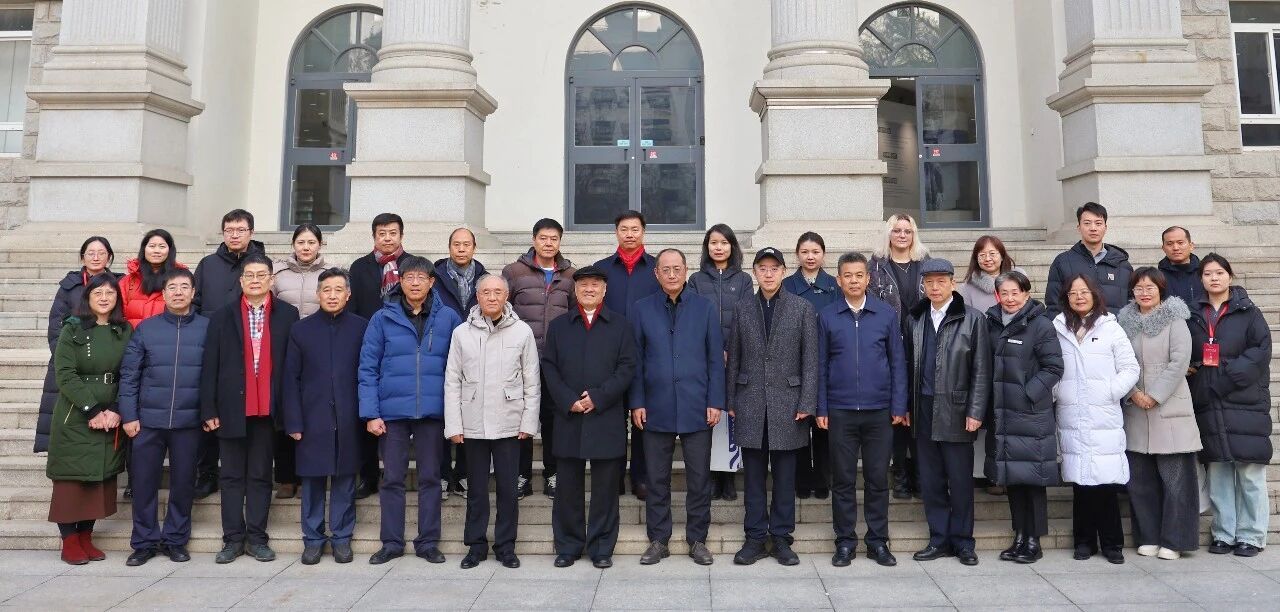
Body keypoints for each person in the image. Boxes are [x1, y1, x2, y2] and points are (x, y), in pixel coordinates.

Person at [359, 255, 462, 565]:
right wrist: (371, 413)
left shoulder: (449, 318)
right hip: (392, 413)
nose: (415, 283)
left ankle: (428, 542)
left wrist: (456, 414)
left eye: (421, 278)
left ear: (432, 282)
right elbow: (368, 368)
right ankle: (391, 542)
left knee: (431, 478)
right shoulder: (382, 318)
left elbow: (460, 367)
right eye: (409, 277)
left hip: (433, 411)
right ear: (399, 281)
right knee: (392, 479)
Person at [200, 254, 300, 564]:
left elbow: (291, 366)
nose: (255, 280)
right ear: (241, 281)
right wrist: (208, 409)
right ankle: (232, 539)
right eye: (249, 275)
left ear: (272, 279)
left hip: (268, 410)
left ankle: (257, 538)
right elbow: (210, 366)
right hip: (231, 408)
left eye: (261, 275)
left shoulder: (288, 314)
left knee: (260, 475)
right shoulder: (222, 316)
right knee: (231, 476)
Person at [629, 248, 723, 566]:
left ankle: (697, 539)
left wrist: (715, 401)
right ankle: (659, 540)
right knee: (657, 479)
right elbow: (636, 360)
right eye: (665, 269)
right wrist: (637, 401)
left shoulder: (704, 308)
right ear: (656, 274)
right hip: (655, 406)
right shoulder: (642, 309)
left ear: (686, 271)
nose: (671, 274)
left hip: (697, 405)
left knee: (699, 478)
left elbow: (715, 359)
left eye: (677, 269)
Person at [726, 247, 818, 566]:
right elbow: (734, 358)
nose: (768, 273)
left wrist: (807, 401)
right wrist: (730, 399)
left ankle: (781, 538)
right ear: (754, 272)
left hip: (789, 405)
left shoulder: (802, 308)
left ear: (783, 272)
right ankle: (754, 537)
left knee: (784, 477)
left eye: (774, 268)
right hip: (750, 402)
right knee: (753, 477)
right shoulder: (742, 308)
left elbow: (810, 360)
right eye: (762, 268)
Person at [543, 265, 638, 569]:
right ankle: (568, 546)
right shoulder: (559, 326)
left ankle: (601, 547)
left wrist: (599, 397)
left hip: (605, 417)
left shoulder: (621, 325)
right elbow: (549, 367)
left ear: (604, 290)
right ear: (575, 289)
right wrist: (568, 399)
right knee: (567, 488)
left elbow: (627, 367)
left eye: (595, 284)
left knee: (605, 489)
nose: (589, 289)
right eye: (583, 284)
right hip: (568, 417)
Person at [444, 275, 540, 570]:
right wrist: (454, 425)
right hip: (472, 422)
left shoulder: (522, 332)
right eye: (486, 292)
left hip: (509, 422)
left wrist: (529, 421)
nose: (492, 297)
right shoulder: (462, 333)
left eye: (498, 292)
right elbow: (452, 381)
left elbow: (532, 380)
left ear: (506, 296)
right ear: (477, 296)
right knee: (476, 489)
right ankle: (475, 546)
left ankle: (506, 546)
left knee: (508, 490)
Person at [818, 252, 907, 568]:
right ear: (838, 280)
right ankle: (844, 542)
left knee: (877, 479)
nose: (854, 280)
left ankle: (878, 541)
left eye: (859, 275)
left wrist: (899, 404)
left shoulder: (885, 314)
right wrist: (821, 406)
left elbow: (897, 362)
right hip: (840, 410)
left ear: (868, 279)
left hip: (878, 411)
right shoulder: (827, 316)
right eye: (848, 275)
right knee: (842, 480)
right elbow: (820, 364)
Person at [118, 268, 207, 566]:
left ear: (193, 293)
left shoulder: (207, 328)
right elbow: (129, 375)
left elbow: (215, 376)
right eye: (172, 287)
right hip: (147, 421)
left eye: (184, 287)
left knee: (183, 483)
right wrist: (129, 415)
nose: (178, 292)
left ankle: (175, 540)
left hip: (189, 422)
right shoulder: (146, 329)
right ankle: (144, 542)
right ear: (164, 294)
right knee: (144, 484)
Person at [904, 258, 991, 567]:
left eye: (941, 281)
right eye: (929, 282)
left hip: (957, 408)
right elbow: (907, 366)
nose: (935, 287)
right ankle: (938, 538)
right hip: (923, 407)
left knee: (960, 480)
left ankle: (964, 542)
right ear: (923, 286)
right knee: (931, 480)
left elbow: (982, 369)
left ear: (953, 284)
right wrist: (907, 406)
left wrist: (975, 410)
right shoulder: (915, 318)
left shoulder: (973, 319)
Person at [281, 267, 368, 566]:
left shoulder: (361, 327)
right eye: (326, 290)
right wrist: (293, 420)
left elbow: (368, 372)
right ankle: (313, 539)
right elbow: (290, 378)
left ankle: (342, 537)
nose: (332, 296)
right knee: (312, 481)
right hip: (312, 417)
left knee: (345, 479)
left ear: (348, 294)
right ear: (317, 294)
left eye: (338, 290)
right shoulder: (301, 330)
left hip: (349, 415)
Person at [1189, 253, 1273, 558]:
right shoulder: (1192, 315)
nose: (1214, 278)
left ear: (1230, 275)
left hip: (1244, 401)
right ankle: (1224, 533)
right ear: (1201, 279)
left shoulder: (1249, 312)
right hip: (1209, 402)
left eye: (1219, 272)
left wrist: (1224, 377)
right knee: (1219, 472)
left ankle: (1252, 535)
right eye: (1208, 273)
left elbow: (1261, 351)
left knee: (1249, 473)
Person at [1053, 274, 1140, 564]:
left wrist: (1110, 392)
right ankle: (1084, 542)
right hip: (1071, 413)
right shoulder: (1058, 328)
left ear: (1094, 294)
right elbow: (1050, 365)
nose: (1079, 297)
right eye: (1073, 293)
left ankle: (1113, 544)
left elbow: (1130, 368)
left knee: (1105, 483)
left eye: (1084, 292)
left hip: (1103, 414)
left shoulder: (1110, 327)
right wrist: (1058, 391)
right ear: (1066, 298)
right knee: (1081, 483)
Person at [46, 273, 131, 565]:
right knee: (71, 480)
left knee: (99, 478)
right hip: (77, 414)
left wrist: (116, 408)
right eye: (98, 293)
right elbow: (65, 374)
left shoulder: (124, 330)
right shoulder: (72, 328)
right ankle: (69, 540)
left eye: (110, 293)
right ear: (88, 297)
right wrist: (92, 410)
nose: (104, 298)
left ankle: (86, 537)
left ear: (117, 298)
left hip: (111, 415)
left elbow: (130, 371)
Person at [1117, 267, 1200, 560]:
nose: (1144, 292)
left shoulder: (1175, 320)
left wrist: (1154, 394)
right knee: (1141, 482)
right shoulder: (1123, 322)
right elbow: (1116, 361)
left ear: (1161, 289)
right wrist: (1132, 392)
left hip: (1170, 406)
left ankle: (1175, 540)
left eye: (1150, 287)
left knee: (1176, 481)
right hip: (1135, 409)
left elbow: (1180, 362)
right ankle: (1148, 536)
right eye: (1139, 287)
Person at [984, 271, 1063, 564]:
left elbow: (1054, 367)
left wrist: (1028, 393)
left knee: (1033, 480)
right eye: (1004, 293)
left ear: (1027, 294)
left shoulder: (1040, 324)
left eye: (1015, 292)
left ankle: (1034, 540)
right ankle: (1019, 535)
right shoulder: (991, 323)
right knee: (1013, 479)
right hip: (1003, 415)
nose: (1010, 299)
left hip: (1030, 415)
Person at [193, 209, 266, 500]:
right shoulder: (208, 265)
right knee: (211, 414)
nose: (234, 235)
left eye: (240, 230)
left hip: (252, 353)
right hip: (214, 350)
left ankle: (249, 476)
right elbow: (195, 302)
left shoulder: (260, 265)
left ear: (251, 232)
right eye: (229, 230)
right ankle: (208, 474)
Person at [503, 218, 576, 500]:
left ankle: (552, 474)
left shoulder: (570, 275)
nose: (548, 243)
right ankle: (521, 475)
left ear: (560, 242)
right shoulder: (514, 271)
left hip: (555, 360)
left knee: (553, 418)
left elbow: (573, 315)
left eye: (554, 239)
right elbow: (503, 309)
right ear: (534, 240)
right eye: (543, 238)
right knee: (521, 416)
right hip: (521, 358)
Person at [594, 210, 661, 501]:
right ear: (616, 232)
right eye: (624, 229)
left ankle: (641, 477)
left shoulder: (658, 268)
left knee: (643, 419)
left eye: (635, 229)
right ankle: (614, 476)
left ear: (643, 232)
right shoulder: (601, 269)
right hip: (610, 355)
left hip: (649, 353)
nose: (630, 234)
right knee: (613, 419)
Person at [348, 212, 415, 500]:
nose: (387, 238)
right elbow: (352, 308)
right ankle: (369, 476)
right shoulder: (359, 267)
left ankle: (395, 475)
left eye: (392, 233)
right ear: (374, 236)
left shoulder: (413, 265)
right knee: (369, 412)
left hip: (404, 347)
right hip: (369, 344)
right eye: (382, 234)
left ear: (401, 235)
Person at [686, 223, 752, 502]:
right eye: (713, 242)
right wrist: (714, 350)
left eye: (724, 243)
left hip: (735, 359)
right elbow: (692, 319)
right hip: (705, 360)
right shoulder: (696, 280)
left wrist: (730, 350)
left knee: (730, 416)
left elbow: (746, 318)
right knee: (710, 417)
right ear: (707, 247)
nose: (719, 247)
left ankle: (729, 476)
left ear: (732, 247)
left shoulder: (744, 280)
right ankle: (712, 476)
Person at [868, 213, 930, 500]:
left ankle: (920, 472)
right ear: (889, 234)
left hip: (922, 344)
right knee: (896, 412)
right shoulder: (876, 265)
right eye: (897, 230)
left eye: (907, 231)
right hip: (889, 345)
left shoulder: (925, 263)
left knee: (918, 412)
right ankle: (901, 473)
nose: (902, 235)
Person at [956, 235, 1022, 496]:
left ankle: (1015, 474)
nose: (988, 258)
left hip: (1016, 358)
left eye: (993, 253)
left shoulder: (1017, 280)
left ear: (1002, 255)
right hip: (986, 358)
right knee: (992, 422)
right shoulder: (967, 288)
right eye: (982, 254)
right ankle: (993, 476)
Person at [36, 237, 114, 454]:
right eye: (90, 253)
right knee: (66, 412)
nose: (96, 257)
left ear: (109, 257)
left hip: (104, 360)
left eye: (101, 253)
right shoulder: (69, 286)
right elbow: (56, 324)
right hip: (71, 356)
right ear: (82, 257)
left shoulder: (118, 284)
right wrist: (65, 356)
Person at [270, 223, 328, 500]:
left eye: (311, 242)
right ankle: (286, 477)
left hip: (318, 348)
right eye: (301, 242)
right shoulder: (278, 274)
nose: (306, 247)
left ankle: (310, 474)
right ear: (293, 245)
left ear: (320, 245)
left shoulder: (330, 274)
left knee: (314, 413)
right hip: (284, 347)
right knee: (285, 410)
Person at [783, 232, 838, 501]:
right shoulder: (786, 285)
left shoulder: (834, 286)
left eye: (815, 252)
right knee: (799, 425)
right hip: (794, 364)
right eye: (805, 252)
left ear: (823, 255)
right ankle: (802, 479)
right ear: (797, 254)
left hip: (827, 361)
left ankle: (823, 480)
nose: (810, 257)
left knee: (824, 427)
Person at [434, 228, 488, 500]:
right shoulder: (435, 277)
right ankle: (443, 474)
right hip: (440, 352)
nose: (462, 249)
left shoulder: (485, 278)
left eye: (467, 244)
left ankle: (465, 474)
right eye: (457, 244)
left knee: (470, 414)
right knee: (442, 416)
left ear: (474, 247)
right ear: (449, 247)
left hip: (476, 354)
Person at [1044, 202, 1133, 316]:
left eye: (1098, 223)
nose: (1093, 228)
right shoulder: (1062, 262)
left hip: (1115, 326)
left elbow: (1132, 305)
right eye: (1087, 223)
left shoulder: (1122, 264)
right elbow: (1054, 305)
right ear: (1079, 227)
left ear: (1105, 228)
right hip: (1074, 326)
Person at [120, 229, 185, 328]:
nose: (156, 251)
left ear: (170, 250)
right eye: (152, 246)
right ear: (144, 249)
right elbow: (119, 315)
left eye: (162, 246)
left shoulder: (180, 280)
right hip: (133, 336)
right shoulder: (128, 282)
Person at [1158, 226, 1201, 307]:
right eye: (1169, 244)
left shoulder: (1205, 273)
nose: (1175, 248)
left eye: (1180, 243)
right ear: (1163, 248)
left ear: (1191, 246)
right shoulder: (1157, 277)